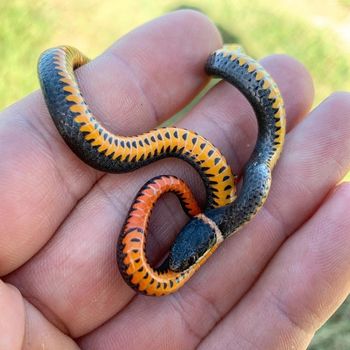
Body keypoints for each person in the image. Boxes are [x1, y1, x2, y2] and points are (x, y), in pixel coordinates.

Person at [0, 10, 349, 350]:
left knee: (255, 148)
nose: (176, 262)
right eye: (184, 260)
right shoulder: (240, 202)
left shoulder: (228, 206)